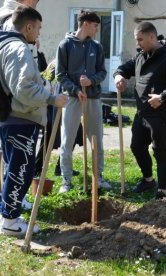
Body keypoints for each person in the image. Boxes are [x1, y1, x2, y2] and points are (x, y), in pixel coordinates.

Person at [0, 6, 68, 235]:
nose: (38, 33)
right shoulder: (18, 49)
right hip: (22, 119)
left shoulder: (1, 46)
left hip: (10, 118)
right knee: (20, 170)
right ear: (28, 26)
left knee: (13, 169)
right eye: (38, 28)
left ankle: (6, 214)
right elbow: (24, 89)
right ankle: (10, 222)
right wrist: (51, 98)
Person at [114, 21, 166, 199]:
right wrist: (119, 76)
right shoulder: (141, 56)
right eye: (136, 39)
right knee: (137, 146)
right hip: (143, 113)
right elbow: (124, 68)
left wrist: (161, 97)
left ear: (152, 37)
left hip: (163, 114)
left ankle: (162, 191)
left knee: (160, 150)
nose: (137, 43)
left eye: (140, 39)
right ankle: (148, 180)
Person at [56, 10, 109, 192]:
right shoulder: (65, 45)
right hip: (72, 98)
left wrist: (91, 81)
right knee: (67, 140)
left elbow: (102, 72)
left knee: (96, 140)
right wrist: (76, 89)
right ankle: (66, 180)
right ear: (85, 24)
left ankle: (98, 176)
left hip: (92, 98)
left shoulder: (97, 47)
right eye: (95, 26)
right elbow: (60, 75)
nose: (96, 30)